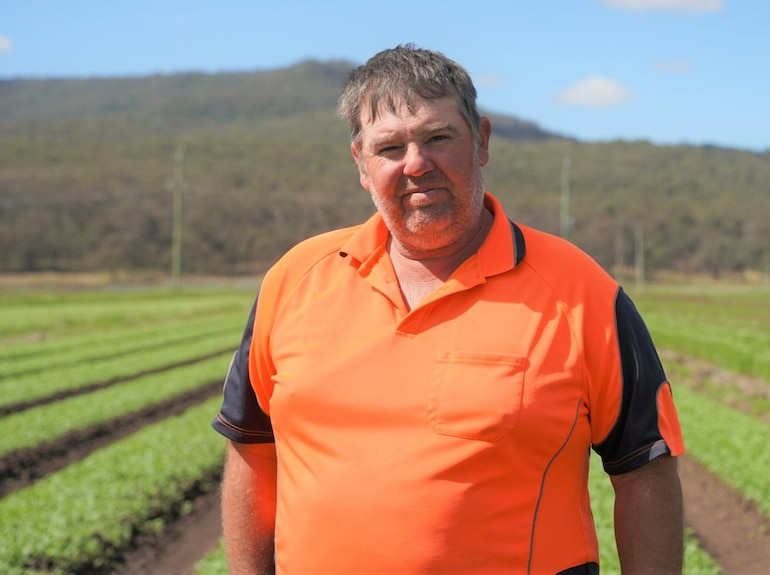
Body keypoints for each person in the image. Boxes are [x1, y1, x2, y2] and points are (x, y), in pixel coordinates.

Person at [212, 44, 685, 575]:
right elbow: (253, 450)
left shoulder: (580, 292)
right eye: (389, 147)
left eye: (438, 138)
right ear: (361, 165)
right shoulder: (295, 278)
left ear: (481, 141)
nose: (416, 164)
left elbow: (644, 471)